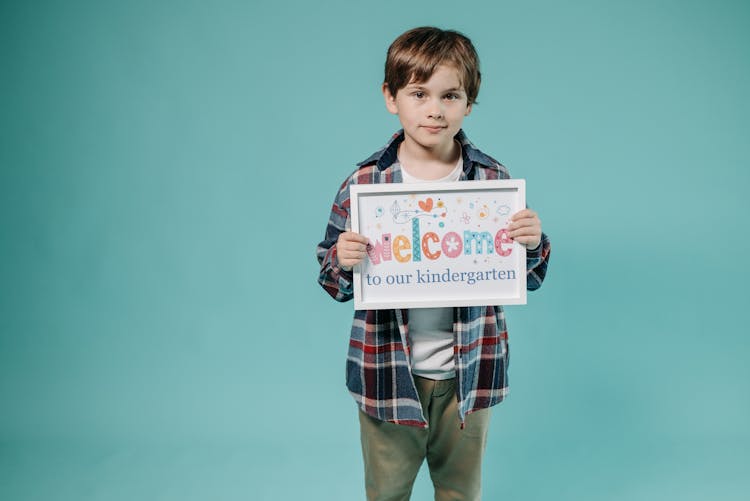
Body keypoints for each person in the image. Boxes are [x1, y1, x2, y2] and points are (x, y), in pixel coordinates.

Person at [316, 26, 551, 501]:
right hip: (387, 372)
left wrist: (531, 244)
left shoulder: (491, 179)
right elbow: (332, 278)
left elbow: (525, 275)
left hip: (469, 371)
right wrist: (341, 259)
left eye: (450, 95)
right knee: (386, 492)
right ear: (391, 97)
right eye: (418, 93)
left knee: (460, 491)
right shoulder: (366, 182)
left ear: (469, 102)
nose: (434, 109)